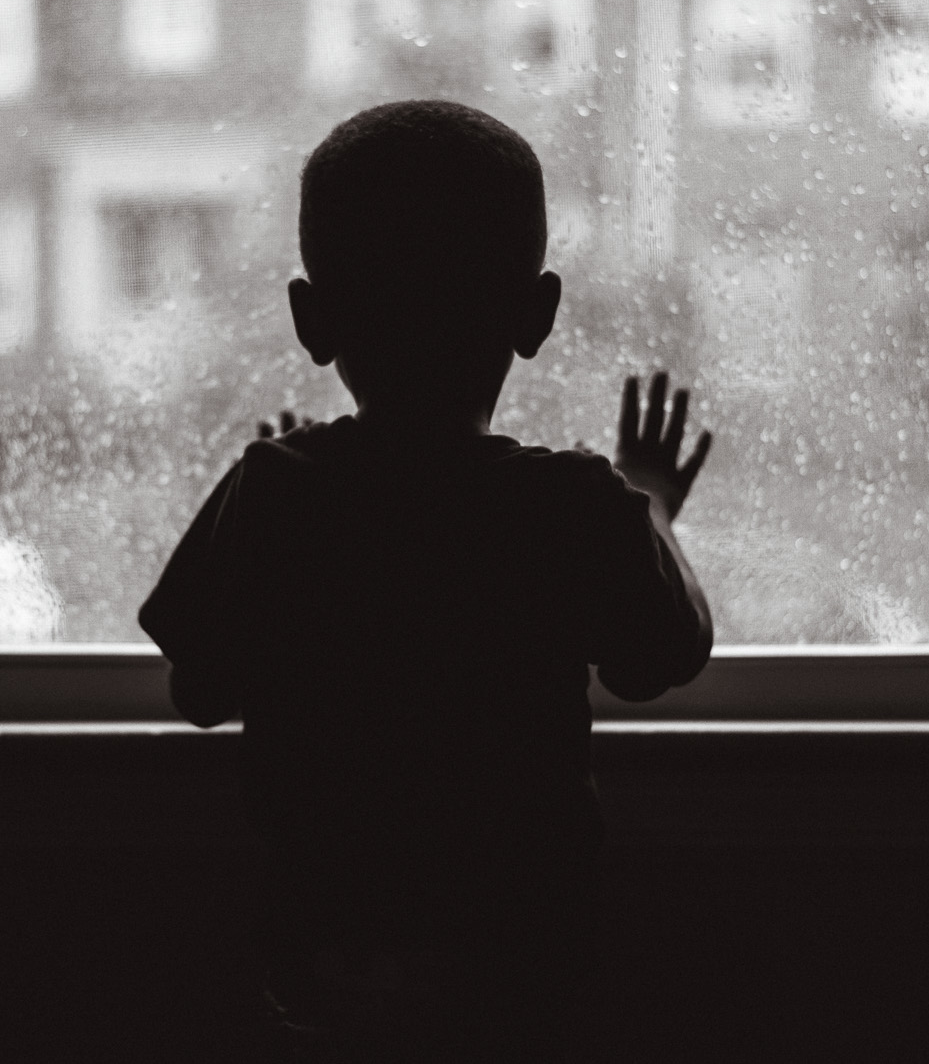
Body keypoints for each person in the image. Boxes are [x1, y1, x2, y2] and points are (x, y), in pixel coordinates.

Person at [138, 100, 714, 1061]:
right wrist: (646, 503)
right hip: (524, 947)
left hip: (328, 949)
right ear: (536, 316)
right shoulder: (569, 503)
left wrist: (288, 517)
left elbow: (200, 690)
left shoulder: (278, 489)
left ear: (312, 322)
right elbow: (664, 655)